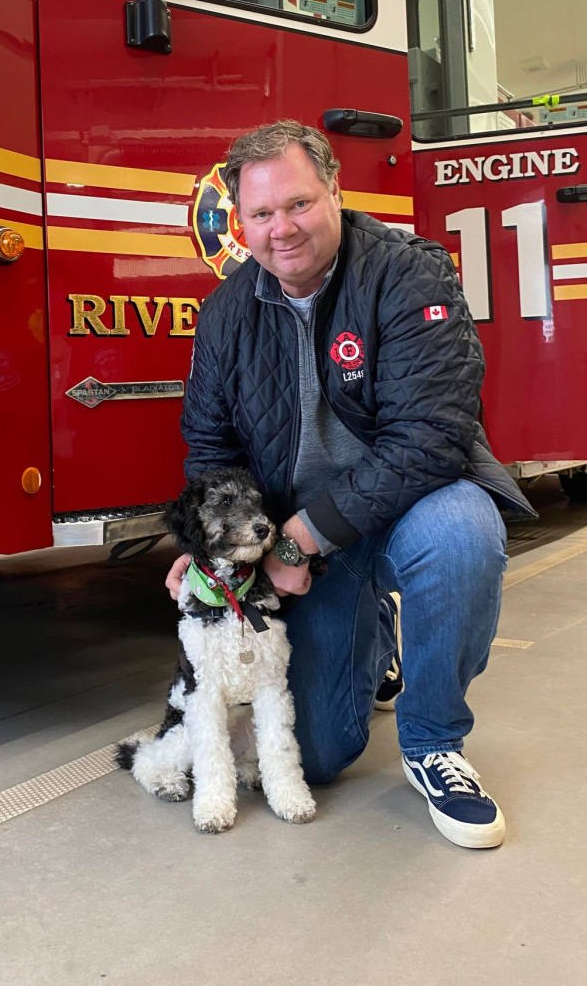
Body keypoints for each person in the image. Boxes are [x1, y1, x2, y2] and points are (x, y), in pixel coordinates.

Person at [166, 119, 535, 849]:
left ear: (336, 190)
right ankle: (379, 637)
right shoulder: (225, 313)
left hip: (407, 509)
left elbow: (431, 439)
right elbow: (211, 449)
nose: (282, 230)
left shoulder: (409, 272)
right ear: (240, 222)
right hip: (304, 531)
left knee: (463, 535)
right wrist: (211, 553)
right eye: (261, 214)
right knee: (324, 755)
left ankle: (434, 745)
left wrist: (299, 542)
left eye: (298, 204)